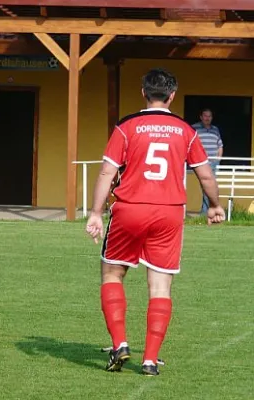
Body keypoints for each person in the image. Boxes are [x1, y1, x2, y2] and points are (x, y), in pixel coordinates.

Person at [85, 68, 225, 376]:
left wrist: (96, 212)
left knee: (112, 272)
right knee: (160, 283)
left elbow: (108, 172)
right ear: (172, 95)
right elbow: (204, 174)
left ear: (143, 92)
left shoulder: (127, 126)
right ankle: (149, 359)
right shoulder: (185, 131)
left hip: (129, 208)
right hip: (169, 212)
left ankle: (120, 343)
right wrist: (214, 205)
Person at [191, 109, 224, 214]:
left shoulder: (215, 129)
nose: (207, 118)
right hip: (201, 163)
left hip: (213, 163)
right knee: (206, 187)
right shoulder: (194, 128)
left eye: (209, 116)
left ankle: (204, 212)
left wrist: (218, 159)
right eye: (205, 116)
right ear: (201, 117)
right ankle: (207, 212)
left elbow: (220, 146)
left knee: (208, 187)